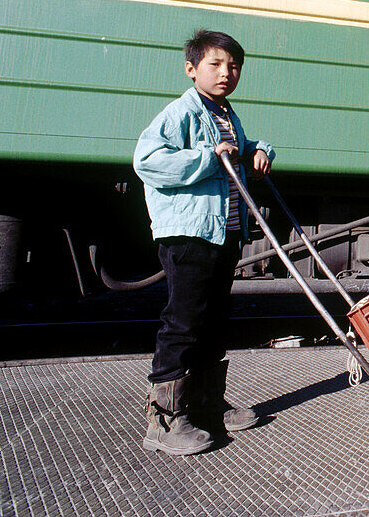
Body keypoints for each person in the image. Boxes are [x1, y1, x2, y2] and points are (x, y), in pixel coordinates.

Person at [133, 29, 274, 455]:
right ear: (192, 69)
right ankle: (164, 421)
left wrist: (259, 150)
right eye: (215, 65)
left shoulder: (225, 113)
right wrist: (206, 158)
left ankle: (208, 403)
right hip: (189, 235)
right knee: (184, 322)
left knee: (213, 320)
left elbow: (240, 147)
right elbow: (147, 160)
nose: (226, 73)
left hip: (223, 232)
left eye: (234, 67)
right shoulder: (181, 113)